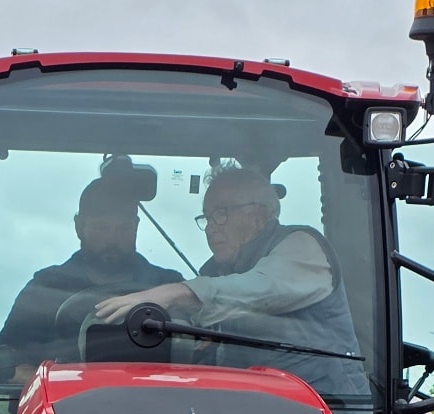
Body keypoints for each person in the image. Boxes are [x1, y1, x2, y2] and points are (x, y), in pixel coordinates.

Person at [91, 165, 366, 399]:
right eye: (207, 217)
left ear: (259, 215)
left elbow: (258, 291)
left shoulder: (302, 248)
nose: (211, 227)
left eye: (221, 214)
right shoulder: (217, 274)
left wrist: (175, 292)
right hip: (246, 413)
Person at [0, 167, 185, 375]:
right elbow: (4, 356)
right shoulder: (46, 287)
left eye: (123, 228)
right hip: (61, 405)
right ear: (79, 226)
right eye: (101, 227)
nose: (113, 239)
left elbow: (197, 352)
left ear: (136, 227)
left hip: (158, 403)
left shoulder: (169, 287)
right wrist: (47, 384)